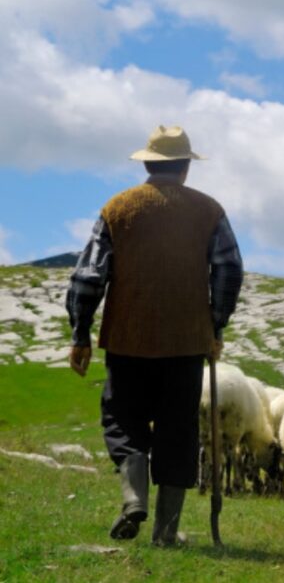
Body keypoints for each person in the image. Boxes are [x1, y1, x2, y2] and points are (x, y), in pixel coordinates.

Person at [65, 125, 243, 545]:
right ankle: (166, 532)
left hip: (128, 339)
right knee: (178, 429)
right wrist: (215, 326)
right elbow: (229, 270)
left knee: (123, 421)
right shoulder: (209, 211)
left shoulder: (118, 208)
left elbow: (89, 276)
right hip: (186, 342)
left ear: (147, 163)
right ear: (185, 168)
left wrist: (80, 334)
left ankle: (133, 499)